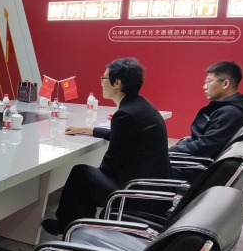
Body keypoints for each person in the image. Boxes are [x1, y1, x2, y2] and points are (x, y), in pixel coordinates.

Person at [41, 58, 171, 236]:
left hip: (138, 193)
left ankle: (69, 226)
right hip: (154, 188)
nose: (101, 83)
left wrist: (99, 174)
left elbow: (110, 165)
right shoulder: (139, 106)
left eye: (103, 78)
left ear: (117, 83)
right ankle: (79, 223)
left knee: (82, 174)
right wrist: (91, 130)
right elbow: (125, 136)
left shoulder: (126, 113)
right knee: (87, 178)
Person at [169, 61, 243, 167]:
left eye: (209, 81)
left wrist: (168, 152)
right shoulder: (230, 108)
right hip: (192, 160)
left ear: (225, 84)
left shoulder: (230, 114)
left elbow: (205, 147)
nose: (204, 87)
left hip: (191, 166)